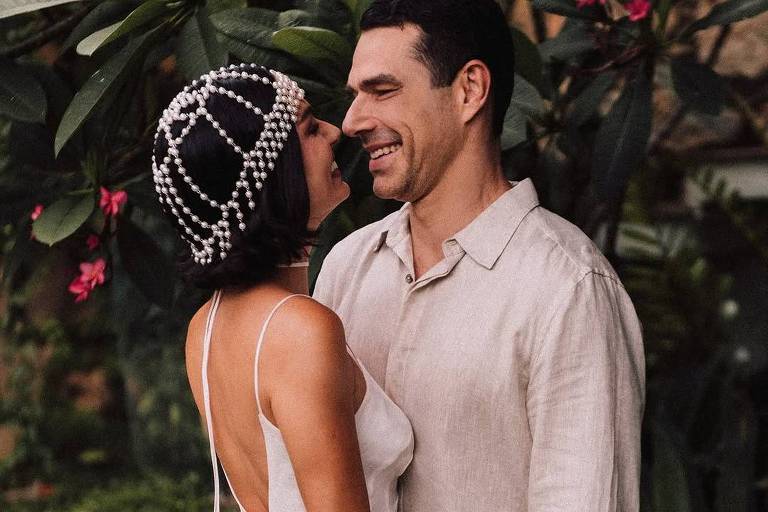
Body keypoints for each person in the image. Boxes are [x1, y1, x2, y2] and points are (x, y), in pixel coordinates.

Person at [312, 1, 646, 510]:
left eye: (382, 91)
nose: (352, 121)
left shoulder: (569, 290)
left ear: (469, 90)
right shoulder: (346, 267)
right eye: (355, 95)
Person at [151, 64, 413, 512]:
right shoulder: (299, 329)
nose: (334, 132)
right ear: (272, 173)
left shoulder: (205, 329)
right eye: (310, 129)